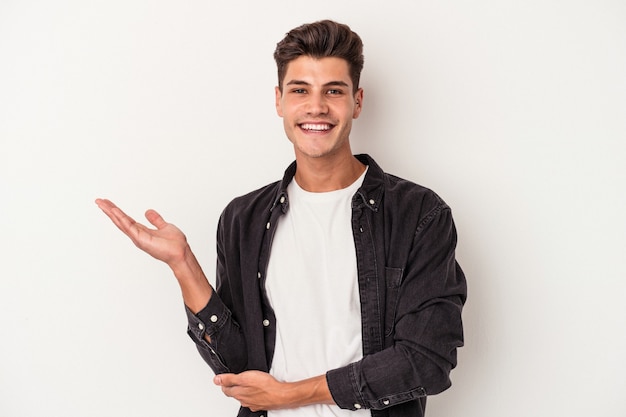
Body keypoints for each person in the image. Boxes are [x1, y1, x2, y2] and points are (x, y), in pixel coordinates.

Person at [96, 19, 466, 417]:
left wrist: (290, 395)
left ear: (357, 101)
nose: (316, 107)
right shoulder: (243, 219)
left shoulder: (417, 214)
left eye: (334, 91)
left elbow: (427, 359)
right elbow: (239, 366)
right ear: (279, 101)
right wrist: (183, 264)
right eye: (300, 90)